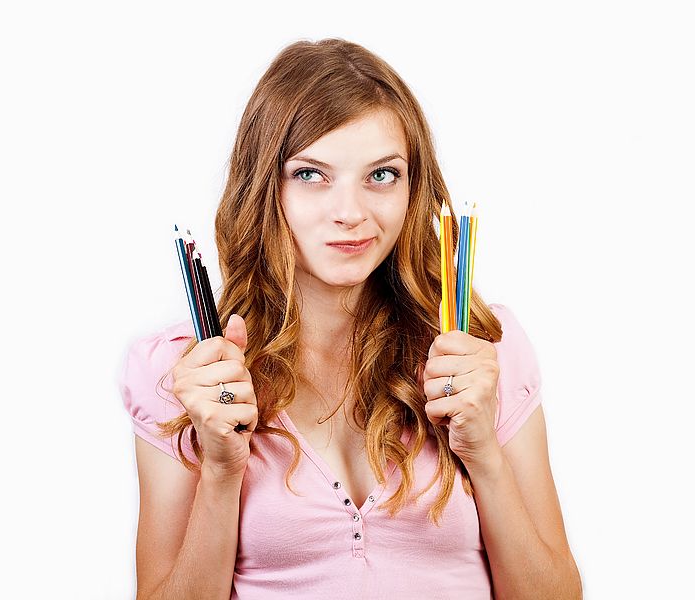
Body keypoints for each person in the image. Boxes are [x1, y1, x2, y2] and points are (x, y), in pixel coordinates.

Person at [119, 38, 581, 600]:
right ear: (267, 189)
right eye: (313, 175)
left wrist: (482, 450)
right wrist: (221, 470)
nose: (351, 213)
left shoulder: (485, 350)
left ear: (414, 188)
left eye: (381, 175)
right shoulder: (181, 371)